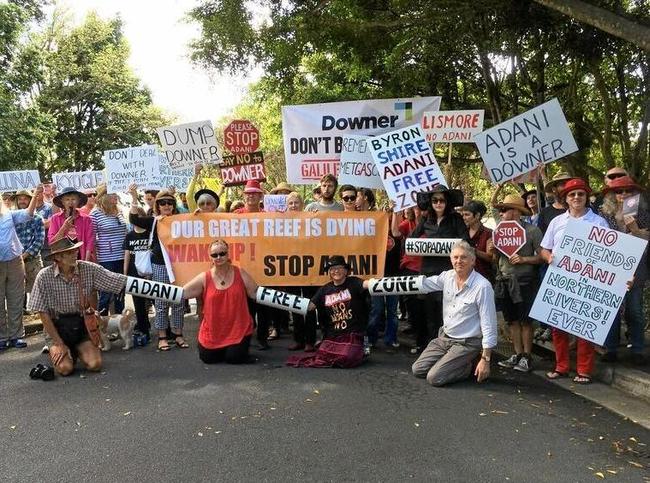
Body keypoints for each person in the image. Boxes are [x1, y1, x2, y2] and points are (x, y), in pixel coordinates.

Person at [539, 178, 610, 384]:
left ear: (587, 198)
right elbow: (544, 248)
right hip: (560, 279)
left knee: (584, 327)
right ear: (566, 199)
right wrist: (548, 257)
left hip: (587, 282)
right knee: (558, 326)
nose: (576, 197)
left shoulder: (599, 222)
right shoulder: (556, 222)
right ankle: (561, 367)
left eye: (581, 194)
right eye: (572, 194)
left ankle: (584, 370)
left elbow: (609, 255)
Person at [28, 238, 127, 375]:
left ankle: (77, 351)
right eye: (70, 252)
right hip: (58, 328)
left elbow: (118, 280)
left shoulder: (88, 268)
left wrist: (156, 289)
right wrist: (59, 343)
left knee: (95, 365)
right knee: (65, 369)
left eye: (75, 250)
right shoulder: (44, 276)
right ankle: (64, 352)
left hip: (82, 326)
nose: (75, 253)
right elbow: (42, 313)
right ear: (58, 257)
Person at [411, 241, 497, 386]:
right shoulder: (447, 276)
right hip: (445, 338)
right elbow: (424, 283)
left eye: (463, 257)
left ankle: (469, 366)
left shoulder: (483, 287)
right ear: (451, 260)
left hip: (467, 343)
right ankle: (453, 361)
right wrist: (377, 285)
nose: (459, 261)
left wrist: (486, 359)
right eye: (455, 257)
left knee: (434, 377)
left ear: (473, 261)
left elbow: (489, 324)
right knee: (418, 369)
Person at [128, 184, 188, 351]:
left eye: (169, 202)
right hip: (160, 264)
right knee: (161, 301)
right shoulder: (154, 221)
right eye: (163, 203)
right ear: (157, 206)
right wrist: (133, 198)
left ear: (174, 205)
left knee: (178, 301)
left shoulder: (182, 220)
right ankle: (162, 337)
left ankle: (178, 335)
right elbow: (134, 220)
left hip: (179, 265)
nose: (166, 205)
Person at [488, 194, 542, 373]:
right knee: (511, 321)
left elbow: (542, 256)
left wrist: (524, 258)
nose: (501, 213)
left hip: (526, 282)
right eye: (501, 210)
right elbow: (495, 258)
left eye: (504, 210)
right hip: (504, 281)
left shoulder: (532, 231)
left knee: (526, 321)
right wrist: (492, 250)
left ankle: (527, 356)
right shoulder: (498, 232)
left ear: (516, 211)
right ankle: (517, 354)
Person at [410, 185, 468, 352]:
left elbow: (465, 241)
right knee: (428, 311)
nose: (438, 203)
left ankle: (446, 346)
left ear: (447, 202)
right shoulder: (425, 219)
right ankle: (430, 346)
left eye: (442, 200)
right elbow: (412, 239)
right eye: (435, 200)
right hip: (427, 270)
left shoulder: (456, 219)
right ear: (430, 202)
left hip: (448, 271)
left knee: (446, 310)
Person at [598, 175, 649, 364]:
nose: (624, 194)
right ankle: (610, 348)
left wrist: (635, 229)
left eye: (628, 190)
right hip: (611, 269)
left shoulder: (643, 213)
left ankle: (637, 349)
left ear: (635, 193)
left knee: (634, 310)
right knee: (611, 309)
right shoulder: (604, 214)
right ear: (612, 195)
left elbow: (646, 241)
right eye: (619, 191)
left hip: (637, 268)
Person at [182, 239, 257, 364]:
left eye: (222, 253)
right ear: (210, 257)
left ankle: (233, 349)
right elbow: (183, 293)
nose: (219, 257)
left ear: (228, 254)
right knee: (208, 358)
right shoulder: (204, 277)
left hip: (238, 329)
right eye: (214, 255)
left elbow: (254, 292)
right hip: (213, 332)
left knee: (234, 358)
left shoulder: (240, 272)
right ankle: (224, 348)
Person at [286, 255, 368, 368]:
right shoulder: (325, 289)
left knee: (346, 358)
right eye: (332, 269)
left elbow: (367, 284)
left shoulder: (354, 282)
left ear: (345, 271)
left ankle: (362, 349)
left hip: (352, 334)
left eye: (339, 268)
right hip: (333, 335)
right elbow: (310, 306)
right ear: (329, 272)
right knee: (322, 356)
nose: (336, 271)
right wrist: (280, 300)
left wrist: (373, 282)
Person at [0, 185, 43, 350]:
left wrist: (36, 195)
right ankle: (2, 337)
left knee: (16, 299)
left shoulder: (9, 216)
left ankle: (16, 336)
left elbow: (28, 214)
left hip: (15, 261)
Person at [285, 192, 317, 352]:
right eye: (290, 203)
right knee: (295, 305)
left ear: (302, 204)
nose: (293, 206)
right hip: (291, 270)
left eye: (296, 202)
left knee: (310, 306)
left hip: (309, 269)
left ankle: (310, 341)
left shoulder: (311, 220)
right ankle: (298, 339)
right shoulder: (280, 222)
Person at [91, 184, 127, 316]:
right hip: (106, 259)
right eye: (112, 194)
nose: (115, 196)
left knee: (120, 291)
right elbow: (92, 238)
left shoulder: (120, 211)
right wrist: (95, 259)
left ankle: (119, 322)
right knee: (106, 292)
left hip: (122, 257)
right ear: (104, 196)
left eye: (116, 194)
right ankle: (102, 324)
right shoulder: (95, 214)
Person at [13, 189, 45, 311]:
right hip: (14, 260)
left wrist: (24, 255)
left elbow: (39, 241)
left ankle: (40, 317)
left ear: (31, 200)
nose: (22, 201)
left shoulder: (37, 218)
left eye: (25, 198)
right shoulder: (11, 218)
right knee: (16, 292)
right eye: (20, 198)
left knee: (37, 290)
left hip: (33, 260)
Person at [122, 207, 151, 342]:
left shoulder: (151, 233)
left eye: (140, 216)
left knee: (156, 301)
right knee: (138, 303)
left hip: (150, 273)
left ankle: (166, 329)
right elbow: (127, 254)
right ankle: (144, 329)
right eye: (134, 216)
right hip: (134, 273)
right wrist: (125, 274)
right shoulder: (129, 235)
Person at [48, 187, 95, 261]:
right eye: (67, 199)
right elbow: (52, 243)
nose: (70, 202)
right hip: (63, 260)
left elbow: (90, 242)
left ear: (78, 201)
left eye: (73, 199)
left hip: (81, 257)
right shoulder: (55, 219)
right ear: (62, 202)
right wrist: (64, 228)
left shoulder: (86, 219)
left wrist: (86, 262)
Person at [460, 200, 493, 282]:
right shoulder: (462, 232)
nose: (464, 218)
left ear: (477, 215)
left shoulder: (488, 233)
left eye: (467, 215)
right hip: (464, 278)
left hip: (483, 278)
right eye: (463, 215)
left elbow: (491, 257)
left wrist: (473, 250)